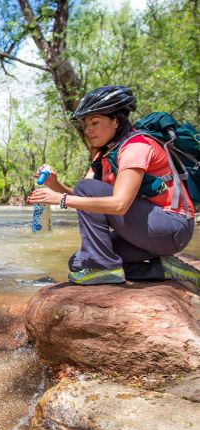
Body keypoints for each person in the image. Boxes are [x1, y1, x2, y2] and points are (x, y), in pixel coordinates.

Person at [27, 85, 200, 286]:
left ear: (116, 121)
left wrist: (62, 200)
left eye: (95, 122)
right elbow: (85, 199)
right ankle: (163, 268)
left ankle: (105, 268)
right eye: (86, 124)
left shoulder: (136, 146)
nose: (88, 130)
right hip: (149, 231)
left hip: (171, 227)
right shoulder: (105, 156)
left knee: (95, 257)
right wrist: (54, 185)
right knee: (78, 262)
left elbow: (119, 205)